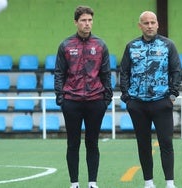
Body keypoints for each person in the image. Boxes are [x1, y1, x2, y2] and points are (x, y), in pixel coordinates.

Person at [120, 11, 182, 188]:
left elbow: (176, 71)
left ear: (157, 24)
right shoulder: (131, 46)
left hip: (161, 102)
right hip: (137, 104)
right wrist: (127, 98)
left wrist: (172, 95)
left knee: (166, 142)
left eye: (152, 22)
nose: (149, 26)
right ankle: (149, 182)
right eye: (145, 23)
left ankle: (169, 182)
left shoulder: (168, 45)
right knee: (143, 143)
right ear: (140, 26)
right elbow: (124, 72)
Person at [54, 6, 113, 188]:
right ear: (76, 22)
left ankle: (92, 182)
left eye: (90, 20)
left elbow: (106, 74)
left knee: (92, 143)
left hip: (96, 101)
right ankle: (74, 183)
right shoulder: (65, 45)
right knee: (73, 143)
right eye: (83, 20)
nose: (87, 24)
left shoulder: (100, 45)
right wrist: (61, 98)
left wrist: (106, 99)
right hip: (71, 101)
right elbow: (59, 73)